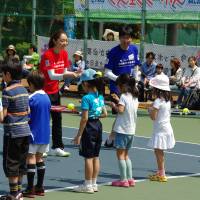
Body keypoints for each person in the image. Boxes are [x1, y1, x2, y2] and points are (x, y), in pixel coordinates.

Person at [40, 30, 81, 157]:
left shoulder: (64, 54)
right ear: (54, 41)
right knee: (44, 120)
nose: (65, 43)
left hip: (55, 92)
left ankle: (57, 147)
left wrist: (73, 74)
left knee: (57, 119)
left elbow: (62, 73)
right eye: (62, 40)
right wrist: (69, 74)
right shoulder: (47, 55)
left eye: (66, 40)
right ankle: (43, 147)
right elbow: (52, 76)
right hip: (43, 92)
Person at [104, 25, 140, 148]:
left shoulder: (134, 49)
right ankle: (112, 139)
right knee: (121, 114)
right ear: (119, 38)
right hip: (117, 88)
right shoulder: (113, 52)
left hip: (131, 88)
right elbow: (107, 72)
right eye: (124, 38)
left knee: (123, 114)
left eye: (129, 38)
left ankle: (112, 139)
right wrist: (119, 80)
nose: (126, 40)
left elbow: (136, 66)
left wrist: (136, 80)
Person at [73, 68, 107, 193]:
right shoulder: (100, 96)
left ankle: (87, 185)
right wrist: (93, 114)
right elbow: (105, 114)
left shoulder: (86, 98)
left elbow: (84, 119)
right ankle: (94, 183)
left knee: (88, 157)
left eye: (82, 83)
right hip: (98, 125)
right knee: (96, 156)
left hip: (89, 127)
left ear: (86, 83)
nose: (82, 86)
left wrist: (78, 135)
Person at [1, 61, 31, 200]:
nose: (2, 77)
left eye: (2, 74)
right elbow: (28, 110)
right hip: (25, 131)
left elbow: (3, 117)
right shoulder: (24, 89)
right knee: (21, 161)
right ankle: (19, 191)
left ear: (8, 74)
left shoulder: (7, 91)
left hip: (13, 132)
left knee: (11, 162)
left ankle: (14, 193)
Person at [23, 71, 51, 198]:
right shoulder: (46, 97)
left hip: (33, 132)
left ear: (32, 84)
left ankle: (30, 188)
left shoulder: (31, 98)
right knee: (40, 158)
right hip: (45, 133)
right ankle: (40, 187)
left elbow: (27, 117)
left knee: (30, 157)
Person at [109, 74, 138, 187]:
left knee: (120, 156)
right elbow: (127, 108)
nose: (118, 88)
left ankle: (123, 180)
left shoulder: (124, 97)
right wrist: (118, 100)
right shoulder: (134, 97)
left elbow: (120, 110)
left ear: (123, 85)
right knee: (126, 155)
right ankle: (130, 179)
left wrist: (113, 105)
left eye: (119, 85)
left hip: (122, 130)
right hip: (131, 130)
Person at [148, 74, 175, 182]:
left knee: (158, 152)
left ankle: (162, 174)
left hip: (160, 129)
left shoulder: (158, 101)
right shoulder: (167, 100)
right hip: (165, 127)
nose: (153, 90)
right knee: (158, 151)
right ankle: (160, 172)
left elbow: (153, 117)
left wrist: (150, 110)